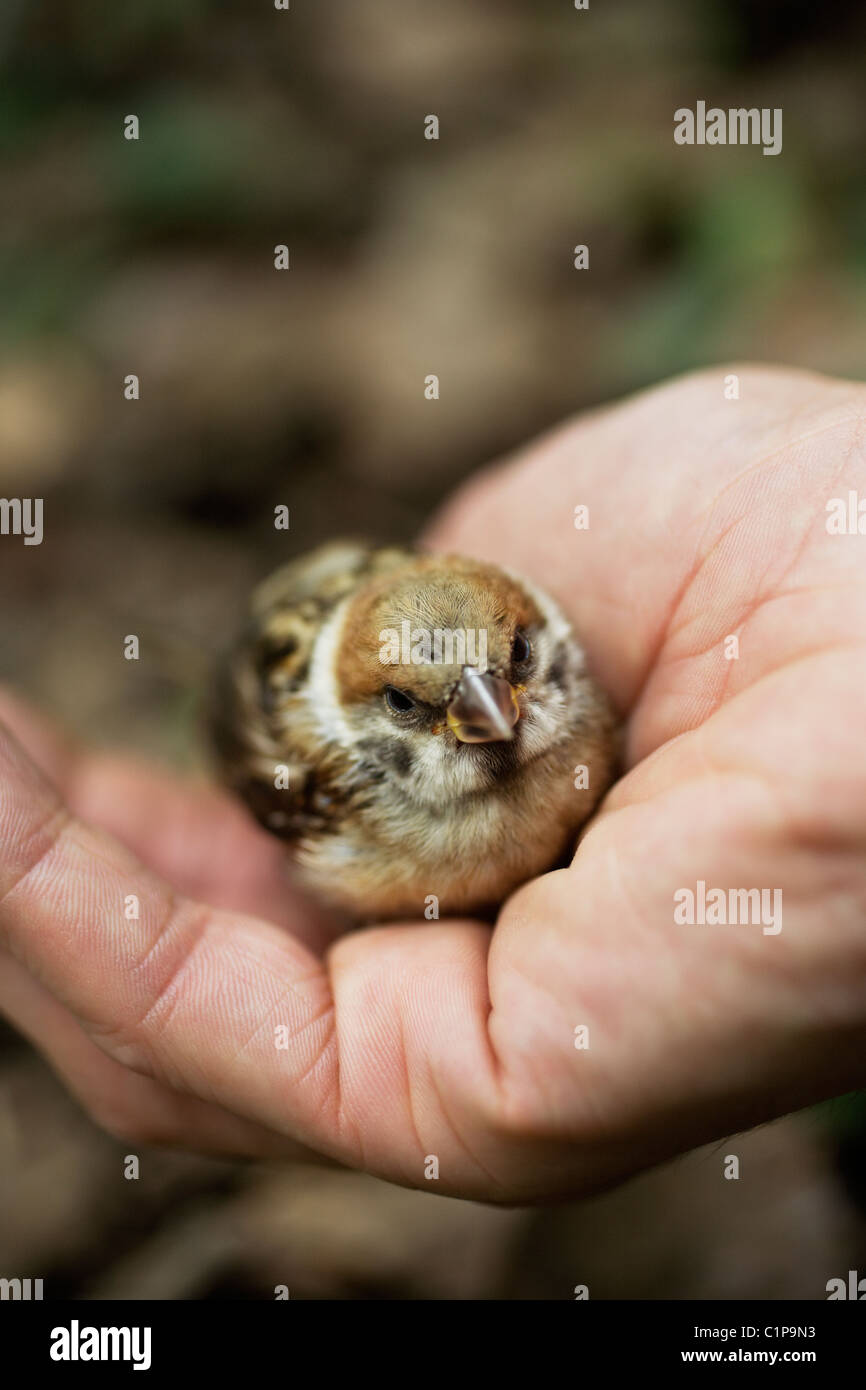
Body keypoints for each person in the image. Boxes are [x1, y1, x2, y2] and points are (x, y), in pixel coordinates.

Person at [1, 363, 864, 1202]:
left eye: (514, 666)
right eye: (421, 706)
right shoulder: (320, 769)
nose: (498, 715)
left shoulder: (563, 674)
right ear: (367, 715)